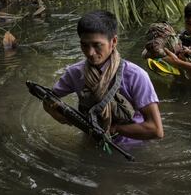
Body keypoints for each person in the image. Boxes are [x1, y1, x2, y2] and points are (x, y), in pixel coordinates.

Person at [43, 10, 164, 140]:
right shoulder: (75, 73)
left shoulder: (135, 76)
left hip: (131, 147)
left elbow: (156, 130)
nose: (90, 53)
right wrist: (56, 113)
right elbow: (48, 98)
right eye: (84, 45)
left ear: (114, 42)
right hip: (91, 141)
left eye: (97, 45)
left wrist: (115, 129)